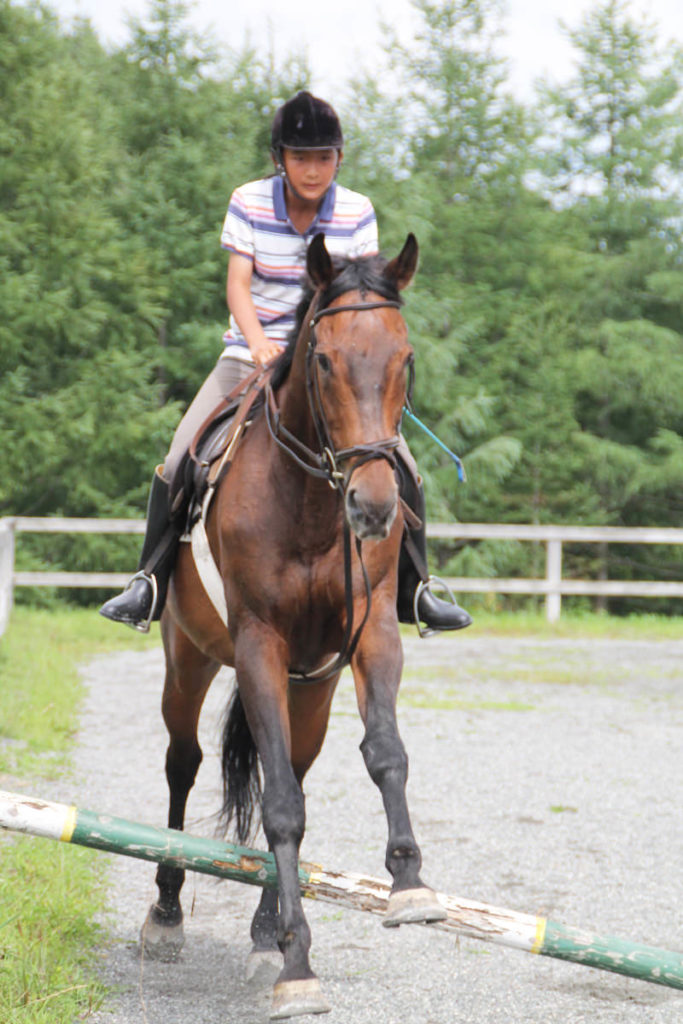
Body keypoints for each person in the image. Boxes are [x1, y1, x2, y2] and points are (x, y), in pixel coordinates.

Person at [100, 91, 472, 635]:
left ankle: (418, 589)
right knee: (181, 451)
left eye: (324, 157)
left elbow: (364, 296)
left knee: (405, 469)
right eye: (301, 158)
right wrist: (256, 342)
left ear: (339, 159)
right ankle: (149, 582)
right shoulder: (249, 201)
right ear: (280, 159)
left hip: (331, 361)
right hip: (250, 353)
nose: (314, 169)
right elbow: (238, 284)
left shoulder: (357, 211)